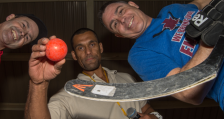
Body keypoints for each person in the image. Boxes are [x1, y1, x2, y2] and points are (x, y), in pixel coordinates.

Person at [98, 0, 224, 110]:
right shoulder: (139, 54)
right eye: (115, 24)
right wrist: (209, 42)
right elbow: (187, 93)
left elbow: (200, 3)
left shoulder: (171, 9)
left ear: (133, 4)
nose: (122, 20)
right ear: (119, 35)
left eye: (120, 11)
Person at [25, 28, 162, 119]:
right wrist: (38, 83)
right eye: (80, 48)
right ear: (73, 55)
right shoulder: (69, 94)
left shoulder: (126, 77)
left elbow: (147, 108)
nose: (88, 52)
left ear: (100, 47)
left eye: (92, 44)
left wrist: (154, 116)